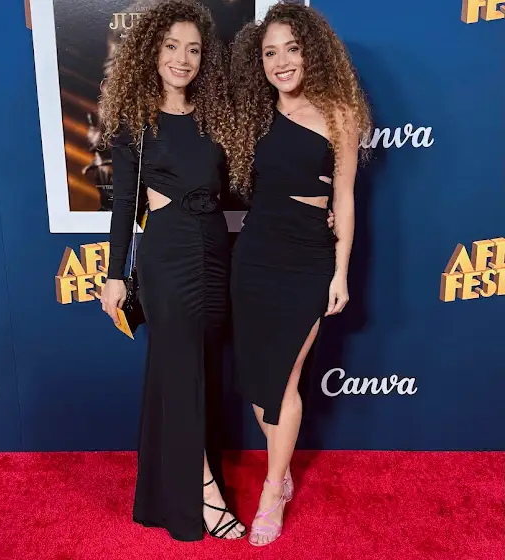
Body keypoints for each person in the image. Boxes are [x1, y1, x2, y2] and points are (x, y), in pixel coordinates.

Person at [99, 0, 246, 541]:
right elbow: (123, 205)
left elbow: (241, 187)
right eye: (171, 46)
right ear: (151, 52)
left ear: (205, 58)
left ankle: (165, 490)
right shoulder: (135, 123)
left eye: (194, 49)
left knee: (199, 369)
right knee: (181, 372)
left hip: (214, 250)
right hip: (167, 255)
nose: (182, 59)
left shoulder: (216, 117)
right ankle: (203, 493)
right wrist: (115, 274)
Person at [228, 2, 372, 546]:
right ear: (259, 61)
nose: (282, 61)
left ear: (312, 52)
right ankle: (282, 468)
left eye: (292, 48)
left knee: (285, 379)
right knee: (258, 384)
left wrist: (340, 271)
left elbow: (345, 198)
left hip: (309, 258)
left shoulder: (340, 113)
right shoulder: (254, 113)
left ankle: (273, 490)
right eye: (270, 53)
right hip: (255, 254)